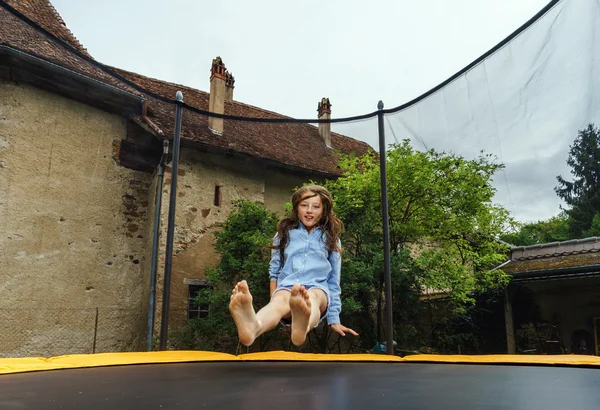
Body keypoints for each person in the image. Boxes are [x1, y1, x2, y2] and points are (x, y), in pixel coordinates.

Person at [229, 185, 358, 347]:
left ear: (324, 210)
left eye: (315, 207)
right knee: (279, 301)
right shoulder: (283, 235)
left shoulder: (331, 239)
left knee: (313, 297)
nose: (309, 210)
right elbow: (274, 273)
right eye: (304, 205)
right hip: (287, 287)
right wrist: (274, 301)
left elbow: (333, 281)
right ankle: (254, 327)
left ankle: (302, 327)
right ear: (297, 208)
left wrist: (334, 319)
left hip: (318, 288)